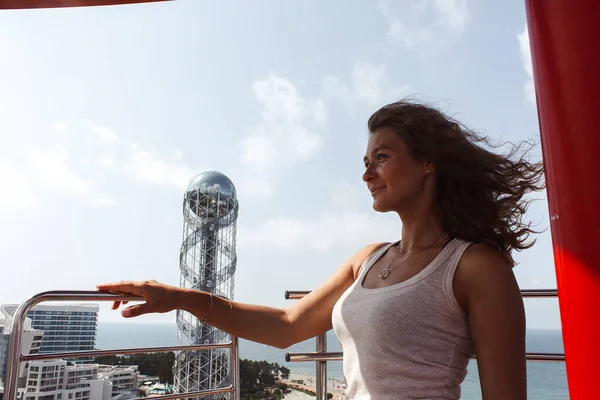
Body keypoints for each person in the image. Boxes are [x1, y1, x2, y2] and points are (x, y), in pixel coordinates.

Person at [98, 99, 544, 400]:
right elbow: (286, 325)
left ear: (429, 162)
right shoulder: (367, 259)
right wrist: (179, 297)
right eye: (366, 163)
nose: (368, 173)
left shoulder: (474, 267)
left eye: (382, 157)